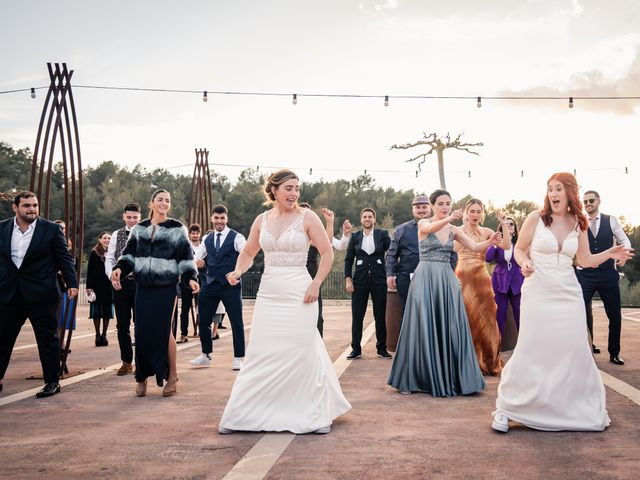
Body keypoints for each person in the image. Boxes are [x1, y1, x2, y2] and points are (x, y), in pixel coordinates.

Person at [492, 172, 633, 433]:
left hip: (568, 292)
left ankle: (566, 408)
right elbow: (520, 249)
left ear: (570, 192)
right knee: (532, 348)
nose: (553, 194)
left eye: (558, 189)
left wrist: (610, 253)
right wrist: (525, 264)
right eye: (550, 189)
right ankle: (508, 408)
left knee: (571, 350)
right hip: (537, 291)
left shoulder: (579, 222)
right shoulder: (536, 218)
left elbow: (584, 260)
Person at [219, 169, 351, 434]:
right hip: (269, 294)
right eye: (289, 188)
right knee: (261, 353)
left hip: (300, 293)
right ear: (274, 191)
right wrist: (238, 270)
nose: (294, 194)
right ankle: (245, 414)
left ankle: (311, 414)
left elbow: (326, 253)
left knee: (301, 351)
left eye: (297, 188)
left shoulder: (307, 217)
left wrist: (316, 284)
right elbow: (248, 251)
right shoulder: (262, 219)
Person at [388, 189, 499, 397]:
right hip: (425, 277)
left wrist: (490, 242)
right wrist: (449, 218)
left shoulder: (454, 231)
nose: (445, 206)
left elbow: (475, 247)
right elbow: (431, 227)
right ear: (432, 206)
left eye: (448, 203)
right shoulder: (424, 223)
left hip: (446, 279)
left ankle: (451, 376)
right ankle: (414, 378)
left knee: (450, 325)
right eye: (441, 203)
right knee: (421, 325)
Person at [112, 189, 199, 398]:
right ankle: (141, 377)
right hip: (143, 288)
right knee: (141, 331)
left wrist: (190, 278)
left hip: (166, 288)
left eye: (167, 201)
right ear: (151, 203)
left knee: (163, 332)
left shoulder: (177, 228)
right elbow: (129, 255)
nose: (164, 203)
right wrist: (120, 269)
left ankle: (172, 377)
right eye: (160, 200)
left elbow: (185, 258)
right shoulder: (139, 229)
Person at [0, 191, 78, 398]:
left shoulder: (51, 229)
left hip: (42, 293)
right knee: (3, 338)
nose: (32, 209)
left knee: (47, 339)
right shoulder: (2, 228)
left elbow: (65, 258)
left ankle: (52, 382)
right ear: (15, 208)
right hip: (10, 293)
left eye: (34, 205)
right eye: (26, 205)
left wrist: (72, 283)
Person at [454, 199, 510, 375]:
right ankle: (468, 361)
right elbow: (453, 249)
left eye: (479, 211)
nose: (475, 215)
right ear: (466, 212)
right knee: (466, 316)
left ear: (482, 213)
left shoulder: (487, 231)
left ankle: (489, 360)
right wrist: (463, 229)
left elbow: (506, 246)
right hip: (463, 276)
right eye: (472, 211)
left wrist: (503, 225)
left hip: (482, 277)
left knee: (487, 318)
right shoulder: (458, 230)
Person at [576, 190, 631, 364]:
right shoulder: (579, 222)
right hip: (584, 274)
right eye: (585, 201)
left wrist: (623, 255)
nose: (588, 204)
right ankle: (588, 346)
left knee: (615, 314)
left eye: (591, 200)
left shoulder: (611, 220)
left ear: (599, 201)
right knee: (582, 313)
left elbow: (624, 240)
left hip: (608, 274)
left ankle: (614, 352)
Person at [191, 205, 246, 370]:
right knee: (204, 319)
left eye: (222, 218)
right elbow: (196, 257)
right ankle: (205, 355)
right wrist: (197, 262)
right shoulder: (207, 239)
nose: (219, 221)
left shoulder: (237, 237)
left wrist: (238, 273)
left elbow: (247, 256)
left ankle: (238, 358)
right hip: (210, 284)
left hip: (231, 285)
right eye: (216, 218)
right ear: (212, 219)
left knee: (236, 322)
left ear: (226, 219)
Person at [344, 207, 391, 359]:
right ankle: (356, 348)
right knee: (357, 316)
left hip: (379, 281)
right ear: (361, 219)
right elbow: (349, 259)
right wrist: (348, 279)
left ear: (374, 219)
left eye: (370, 216)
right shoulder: (355, 236)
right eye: (365, 217)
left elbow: (391, 254)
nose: (367, 219)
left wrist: (391, 275)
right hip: (360, 281)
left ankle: (381, 348)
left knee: (380, 315)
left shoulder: (382, 234)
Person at [299, 203, 351, 337]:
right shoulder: (290, 233)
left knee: (316, 315)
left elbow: (329, 244)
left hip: (311, 278)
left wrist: (330, 222)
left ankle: (316, 347)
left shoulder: (314, 234)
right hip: (291, 277)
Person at [105, 203, 141, 376]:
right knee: (122, 325)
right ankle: (126, 361)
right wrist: (111, 276)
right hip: (121, 284)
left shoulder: (146, 232)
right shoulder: (116, 234)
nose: (132, 220)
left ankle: (141, 362)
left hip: (141, 284)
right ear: (124, 216)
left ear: (140, 217)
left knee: (141, 324)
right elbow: (110, 257)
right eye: (129, 217)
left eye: (135, 217)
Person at [385, 195, 431, 311]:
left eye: (424, 207)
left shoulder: (439, 227)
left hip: (433, 278)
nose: (421, 210)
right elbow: (391, 254)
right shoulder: (401, 229)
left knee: (430, 312)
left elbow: (451, 253)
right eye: (418, 207)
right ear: (413, 209)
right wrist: (390, 274)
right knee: (408, 313)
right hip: (407, 279)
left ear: (430, 208)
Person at [485, 217, 524, 338]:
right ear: (501, 228)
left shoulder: (520, 242)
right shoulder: (497, 242)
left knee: (520, 313)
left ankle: (524, 343)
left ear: (515, 228)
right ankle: (497, 346)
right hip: (499, 281)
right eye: (505, 225)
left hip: (517, 280)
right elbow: (488, 258)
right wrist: (495, 244)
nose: (508, 226)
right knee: (499, 314)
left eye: (511, 224)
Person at [86, 231, 114, 347]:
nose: (107, 240)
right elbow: (90, 271)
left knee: (107, 312)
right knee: (97, 312)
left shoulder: (112, 252)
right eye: (104, 238)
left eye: (109, 238)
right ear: (100, 239)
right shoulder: (94, 253)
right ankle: (97, 335)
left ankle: (104, 334)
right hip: (97, 286)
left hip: (108, 286)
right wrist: (89, 287)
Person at [177, 223, 203, 343]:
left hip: (201, 280)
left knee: (202, 307)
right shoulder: (185, 247)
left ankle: (203, 331)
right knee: (185, 309)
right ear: (190, 234)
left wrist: (203, 263)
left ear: (200, 234)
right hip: (186, 281)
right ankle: (184, 334)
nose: (195, 235)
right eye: (193, 233)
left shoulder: (203, 247)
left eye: (197, 233)